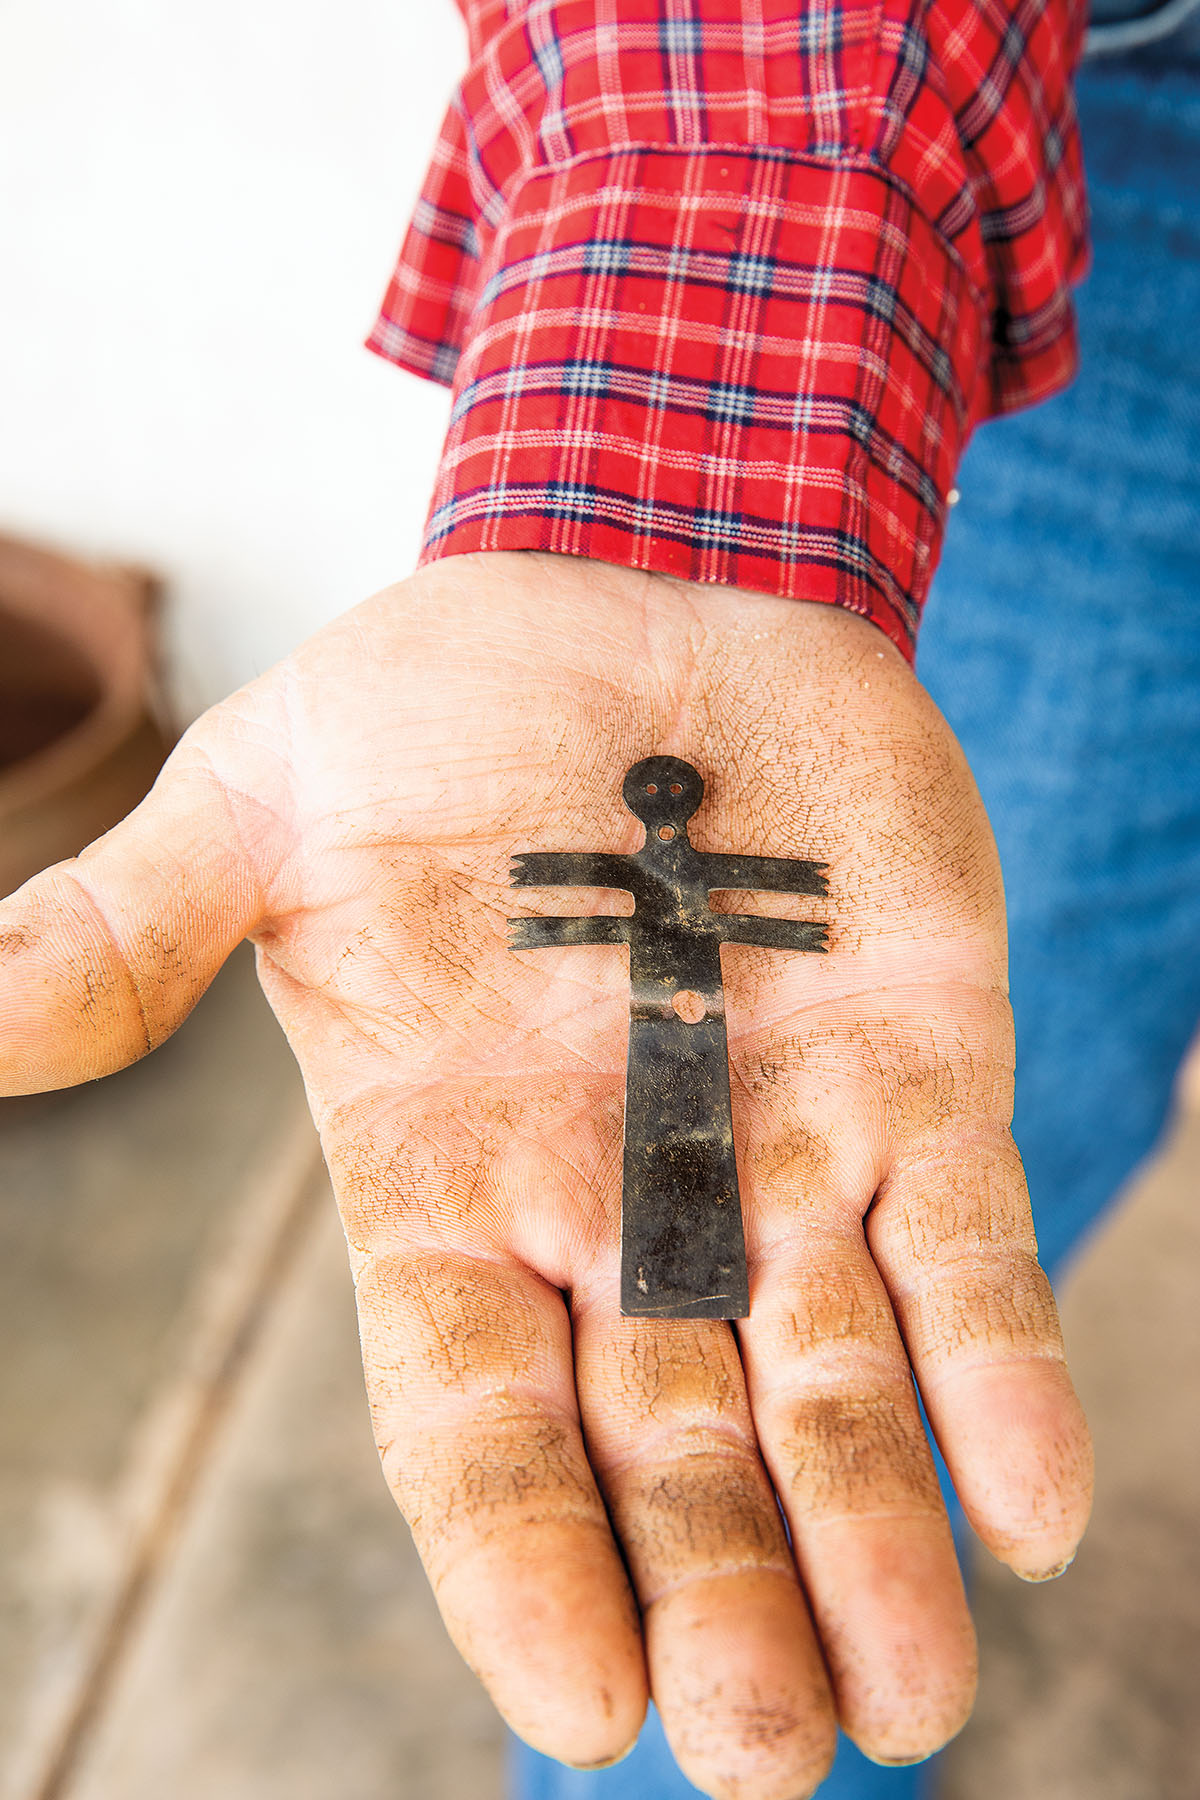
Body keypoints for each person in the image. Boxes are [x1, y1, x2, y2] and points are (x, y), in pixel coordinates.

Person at [1, 2, 1196, 1797]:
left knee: (1010, 1096)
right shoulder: (678, 869)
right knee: (851, 1273)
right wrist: (660, 515)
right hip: (1039, 113)